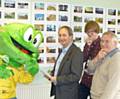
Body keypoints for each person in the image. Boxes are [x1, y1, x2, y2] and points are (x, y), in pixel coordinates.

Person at [48, 26, 83, 99]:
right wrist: (52, 74)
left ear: (70, 37)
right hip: (58, 91)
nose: (61, 38)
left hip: (68, 94)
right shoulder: (62, 50)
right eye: (60, 35)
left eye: (64, 35)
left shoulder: (76, 52)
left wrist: (57, 79)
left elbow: (76, 76)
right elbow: (61, 70)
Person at [90, 31, 120, 99]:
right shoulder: (103, 54)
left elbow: (113, 86)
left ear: (115, 43)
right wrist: (97, 58)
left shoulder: (117, 59)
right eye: (102, 41)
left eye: (107, 41)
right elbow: (89, 70)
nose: (103, 44)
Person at [79, 20, 101, 99]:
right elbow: (83, 59)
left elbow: (97, 61)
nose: (90, 34)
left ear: (97, 31)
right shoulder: (88, 43)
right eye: (88, 32)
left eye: (92, 32)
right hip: (85, 79)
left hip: (96, 81)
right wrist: (88, 46)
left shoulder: (102, 43)